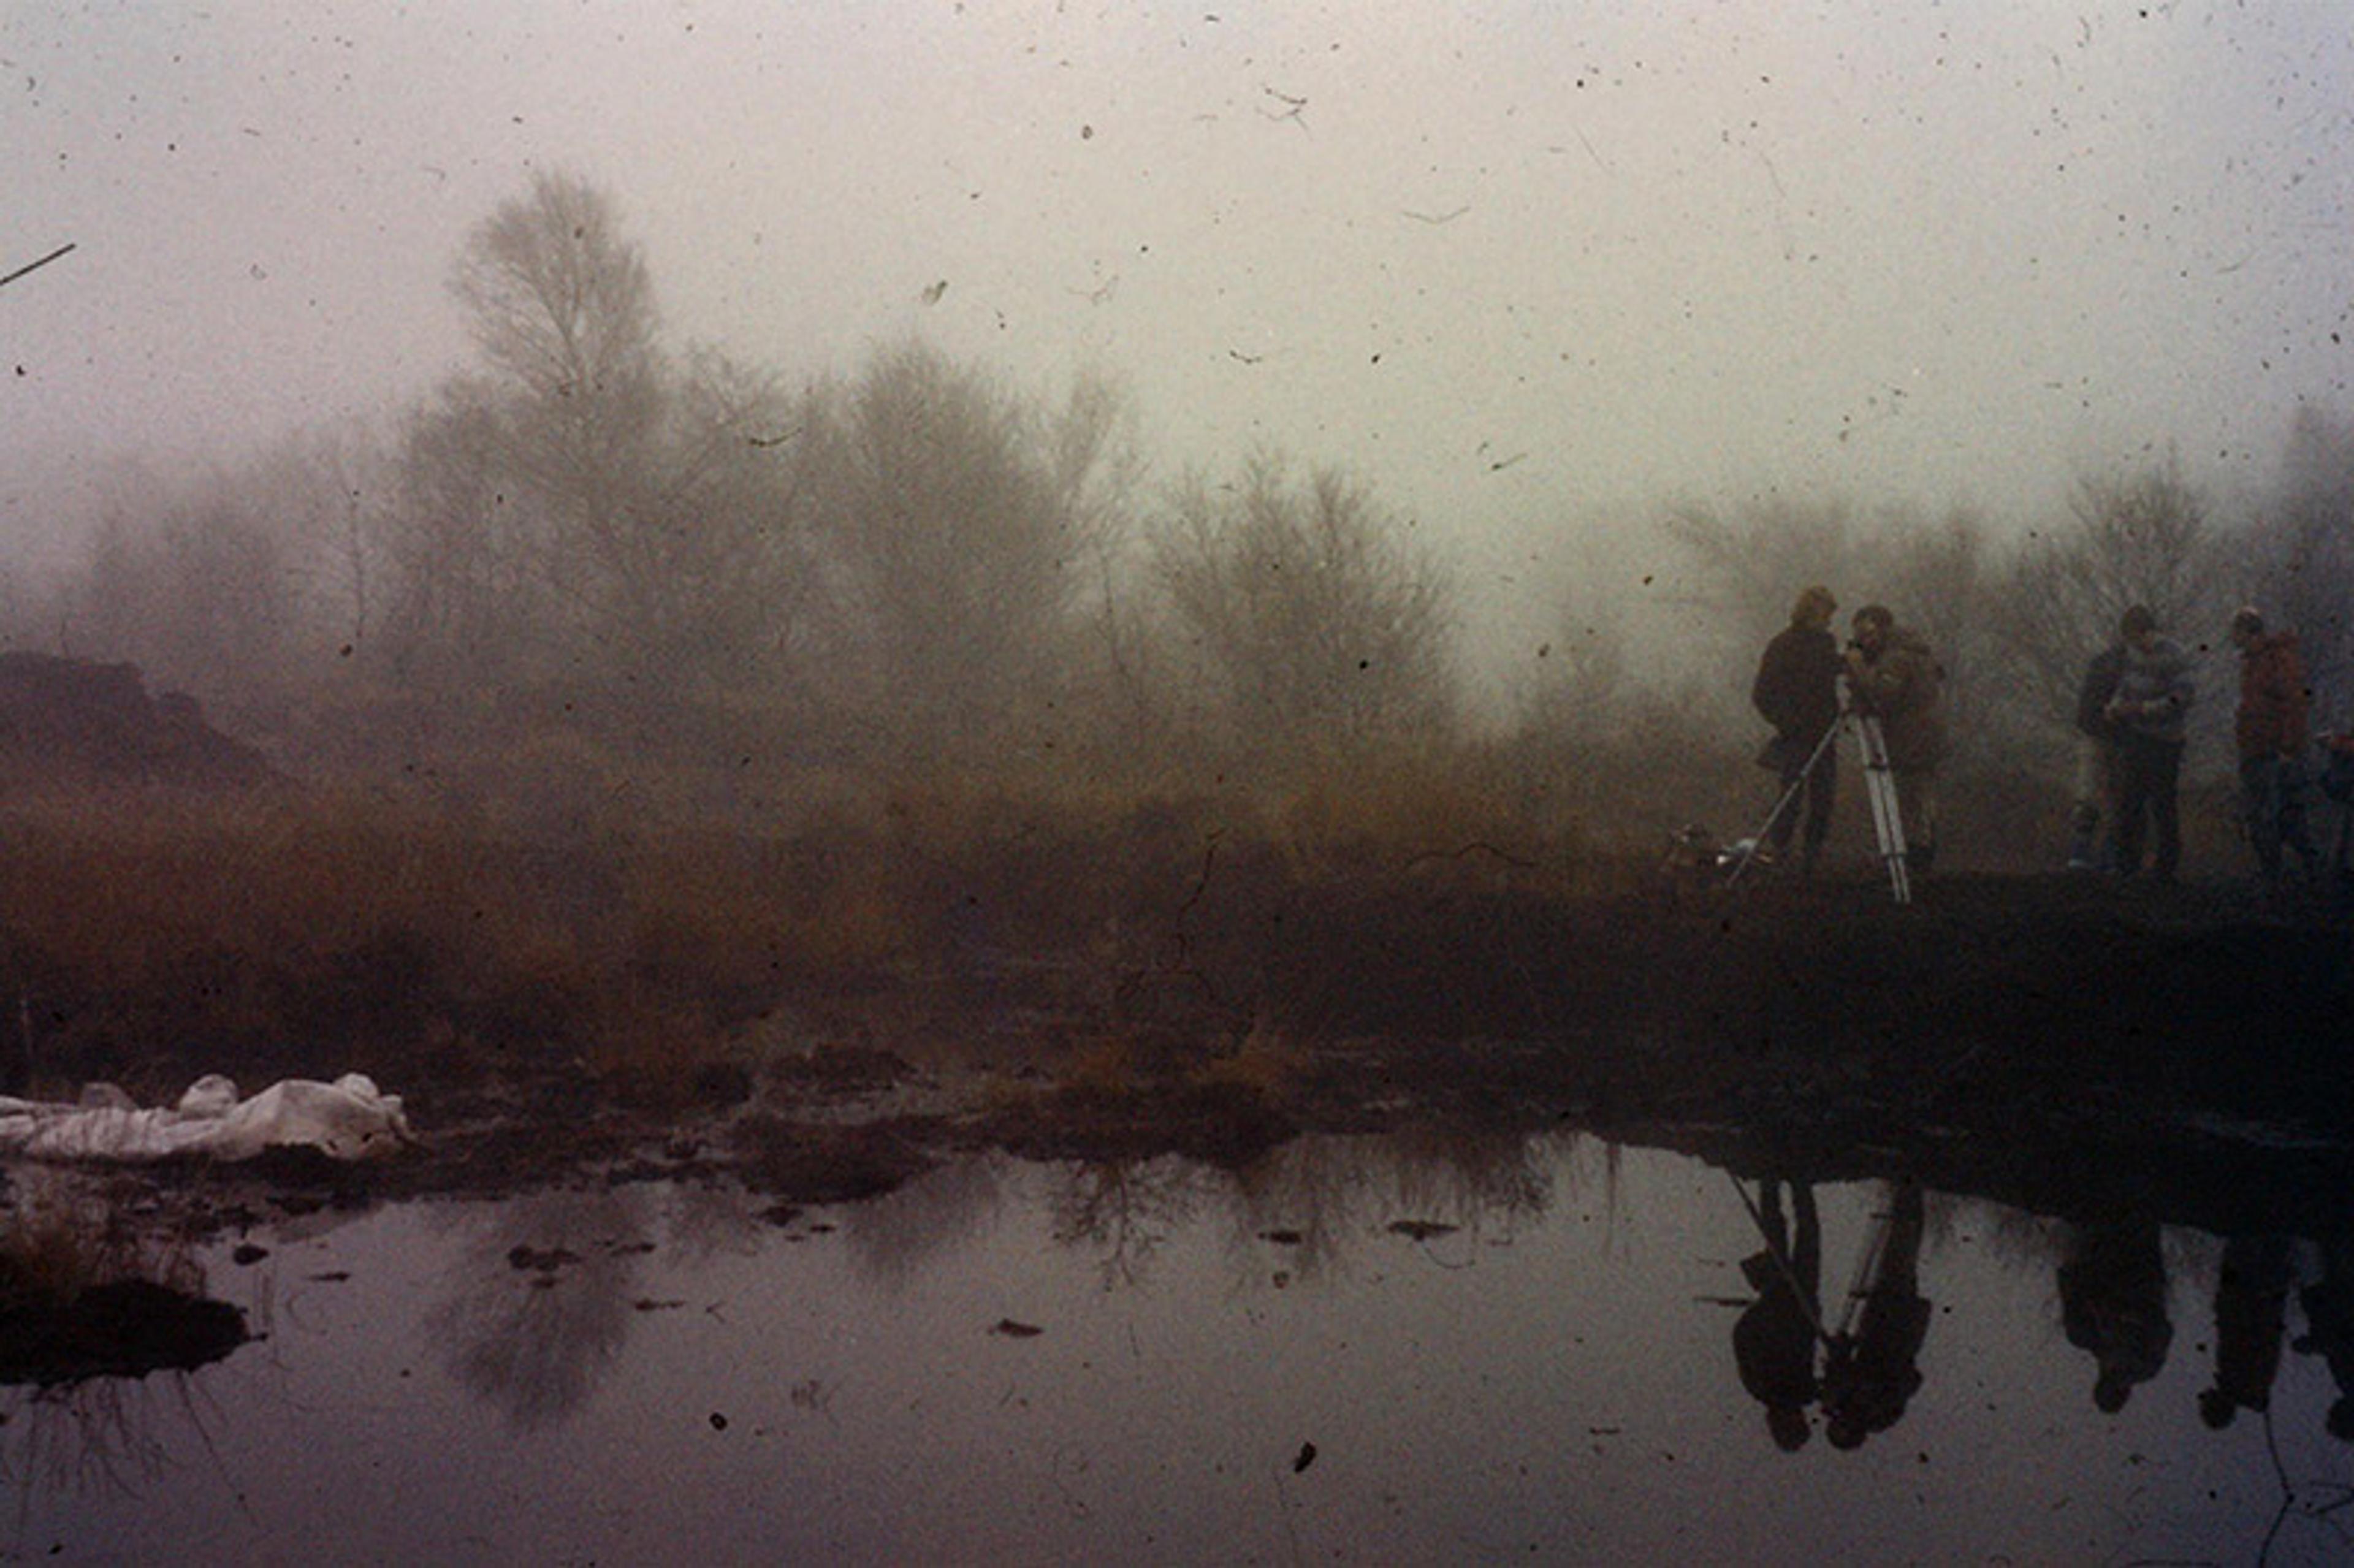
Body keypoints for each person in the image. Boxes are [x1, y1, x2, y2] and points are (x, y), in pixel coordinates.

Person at [1843, 605, 1947, 875]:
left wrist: (1857, 666)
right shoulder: (1916, 652)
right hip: (1925, 738)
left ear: (1880, 628)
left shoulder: (1897, 658)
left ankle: (1910, 858)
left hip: (1909, 739)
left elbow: (1883, 695)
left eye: (1866, 634)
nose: (1863, 642)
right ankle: (1920, 853)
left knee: (1908, 798)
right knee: (1920, 798)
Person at [2226, 606, 2321, 898]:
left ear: (2248, 632)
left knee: (2276, 815)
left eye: (2236, 631)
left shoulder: (2277, 660)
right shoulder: (2253, 662)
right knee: (2266, 815)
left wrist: (2288, 747)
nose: (2232, 637)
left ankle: (2292, 874)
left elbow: (2293, 705)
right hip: (2257, 749)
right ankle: (2279, 873)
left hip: (2274, 751)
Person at [1750, 586, 1845, 875]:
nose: (1829, 620)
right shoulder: (1783, 645)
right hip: (1796, 735)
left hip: (1823, 733)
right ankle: (1781, 851)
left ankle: (1812, 856)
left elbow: (1829, 676)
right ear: (1812, 611)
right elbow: (1763, 693)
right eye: (1826, 613)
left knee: (1823, 797)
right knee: (1791, 795)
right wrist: (1788, 723)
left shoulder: (1826, 644)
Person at [2105, 604, 2195, 885]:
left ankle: (2165, 868)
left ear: (2146, 632)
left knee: (2162, 803)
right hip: (2138, 737)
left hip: (2166, 742)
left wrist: (2143, 709)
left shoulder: (2175, 655)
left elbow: (2182, 697)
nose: (2131, 645)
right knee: (2130, 801)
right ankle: (2127, 865)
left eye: (2134, 637)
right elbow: (2125, 687)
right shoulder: (2133, 655)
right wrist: (2116, 706)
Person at [1733, 1176, 1823, 1451]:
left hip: (1779, 1297)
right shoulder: (1807, 1391)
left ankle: (1770, 1178)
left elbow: (1742, 1336)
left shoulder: (1761, 1387)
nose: (1799, 1417)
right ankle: (1800, 1181)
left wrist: (1763, 1312)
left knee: (1777, 1232)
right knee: (1807, 1233)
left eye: (1795, 1423)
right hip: (1803, 1300)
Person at [2069, 634, 2128, 872]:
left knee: (2090, 795)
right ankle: (2105, 855)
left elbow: (2086, 708)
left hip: (2094, 733)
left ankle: (2081, 854)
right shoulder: (2134, 667)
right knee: (2114, 797)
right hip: (2111, 736)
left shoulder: (2102, 662)